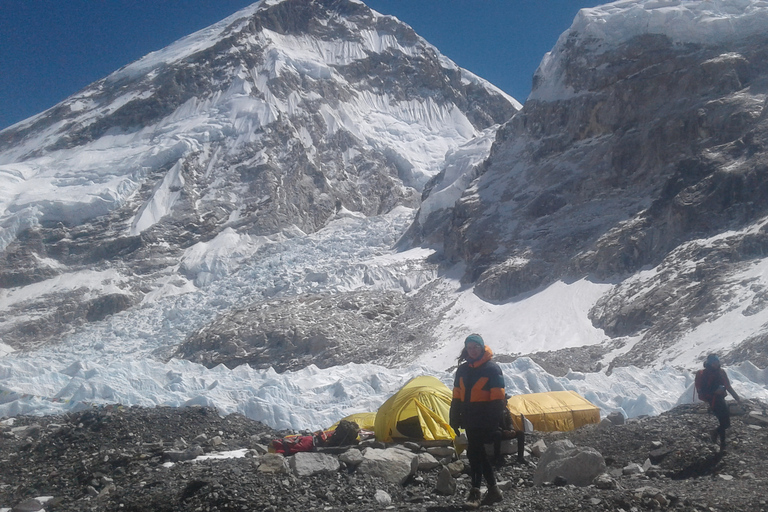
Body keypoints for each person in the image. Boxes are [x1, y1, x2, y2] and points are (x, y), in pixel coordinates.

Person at [449, 334, 506, 508]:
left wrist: (493, 424)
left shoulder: (492, 369)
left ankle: (475, 493)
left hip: (485, 420)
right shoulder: (462, 370)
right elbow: (457, 396)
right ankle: (494, 490)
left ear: (482, 347)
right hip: (469, 420)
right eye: (469, 347)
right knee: (478, 453)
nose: (472, 351)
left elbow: (498, 400)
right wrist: (454, 418)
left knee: (474, 454)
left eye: (476, 347)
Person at [695, 353, 741, 451]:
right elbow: (701, 390)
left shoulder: (721, 372)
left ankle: (715, 433)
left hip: (720, 399)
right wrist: (714, 391)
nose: (715, 364)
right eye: (713, 363)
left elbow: (728, 386)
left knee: (726, 423)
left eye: (717, 362)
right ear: (709, 363)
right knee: (722, 420)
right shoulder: (703, 374)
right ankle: (723, 445)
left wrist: (737, 398)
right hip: (712, 400)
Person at [492, 397, 526, 467]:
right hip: (498, 432)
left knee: (521, 433)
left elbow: (510, 422)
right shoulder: (494, 411)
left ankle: (520, 457)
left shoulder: (506, 410)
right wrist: (503, 431)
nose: (506, 402)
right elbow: (493, 424)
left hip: (507, 432)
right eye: (505, 400)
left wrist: (512, 430)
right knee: (498, 434)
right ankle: (497, 458)